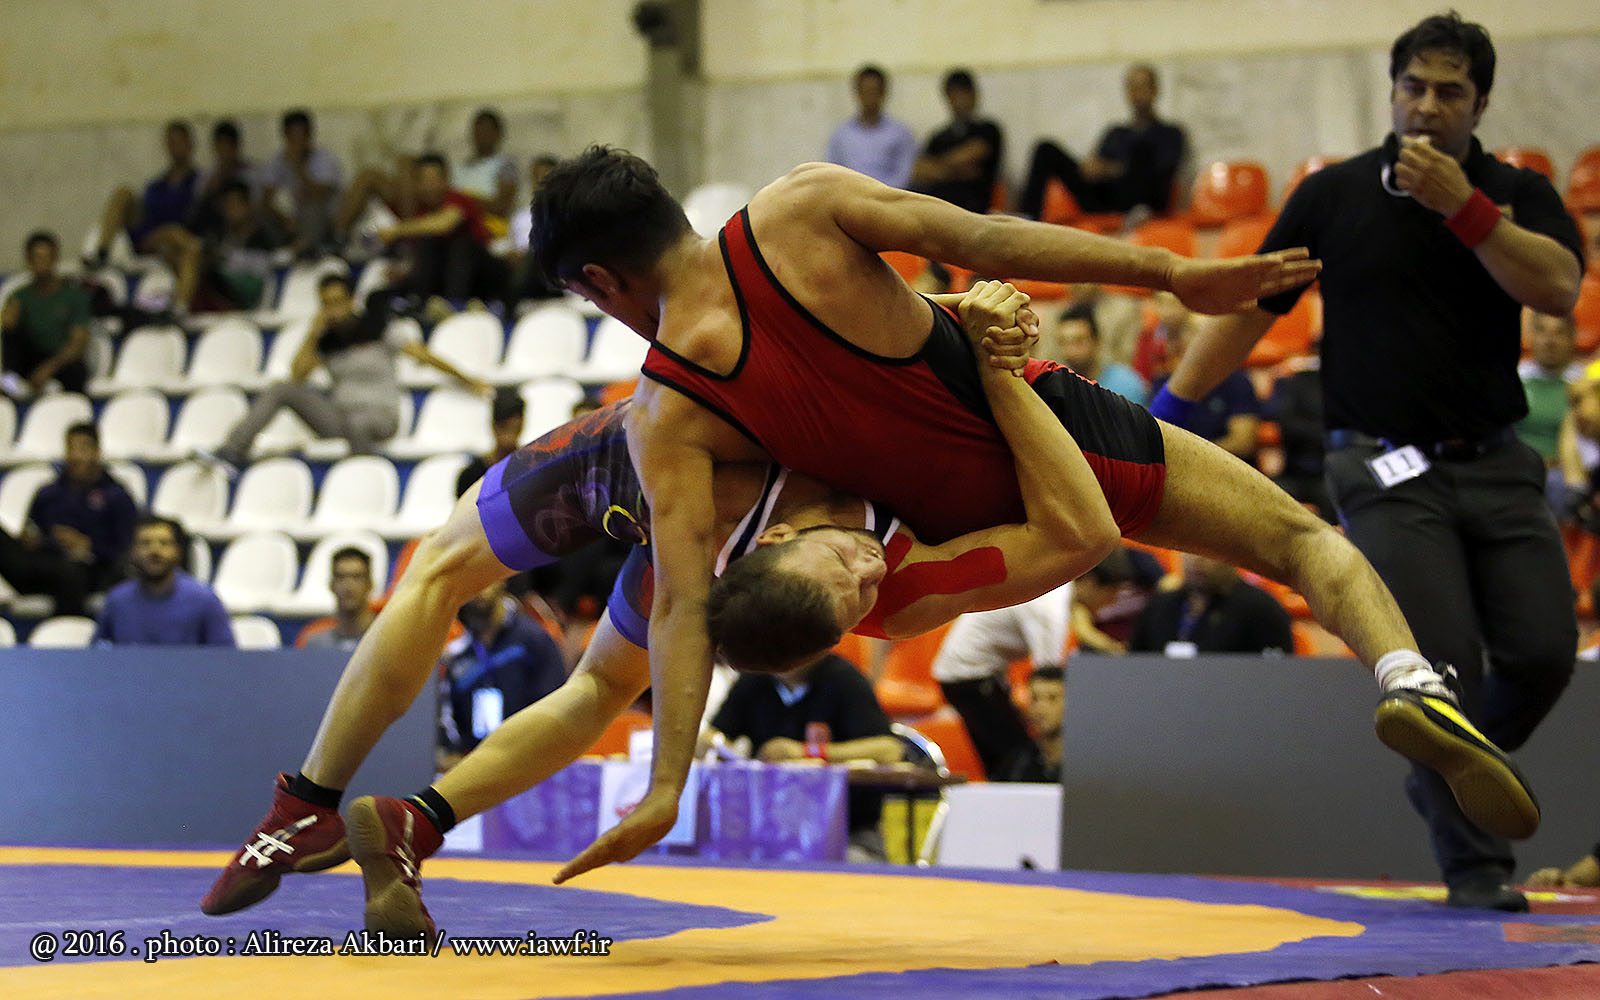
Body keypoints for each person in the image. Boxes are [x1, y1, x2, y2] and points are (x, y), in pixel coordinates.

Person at [1153, 12, 1584, 911]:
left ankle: (1447, 769)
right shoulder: (1335, 196)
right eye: (1413, 88)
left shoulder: (1514, 191)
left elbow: (1556, 288)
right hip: (1383, 470)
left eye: (1450, 92)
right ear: (1391, 93)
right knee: (1442, 662)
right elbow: (1251, 310)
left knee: (1546, 653)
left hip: (1498, 463)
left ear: (1481, 105)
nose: (1427, 107)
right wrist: (1166, 414)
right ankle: (1477, 869)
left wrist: (1465, 210)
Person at [203, 274, 491, 471]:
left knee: (358, 424)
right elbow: (297, 376)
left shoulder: (376, 326)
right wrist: (314, 332)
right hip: (338, 417)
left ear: (352, 299)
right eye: (326, 303)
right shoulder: (326, 340)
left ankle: (361, 476)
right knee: (281, 389)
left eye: (338, 301)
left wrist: (468, 380)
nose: (333, 309)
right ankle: (232, 450)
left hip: (380, 416)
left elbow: (423, 355)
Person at [702, 652, 902, 861]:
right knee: (716, 858)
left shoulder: (845, 680)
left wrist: (805, 752)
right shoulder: (754, 678)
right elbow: (715, 734)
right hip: (765, 832)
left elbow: (889, 749)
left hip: (847, 833)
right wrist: (714, 743)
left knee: (849, 864)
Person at [0, 422, 136, 616]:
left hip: (91, 571)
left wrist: (88, 546)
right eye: (70, 448)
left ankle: (69, 630)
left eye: (83, 449)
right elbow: (31, 530)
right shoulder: (48, 493)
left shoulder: (116, 495)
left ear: (97, 452)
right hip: (43, 567)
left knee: (70, 570)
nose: (75, 456)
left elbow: (126, 549)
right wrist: (32, 540)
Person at [1018, 64, 1187, 219]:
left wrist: (1113, 170)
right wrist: (1092, 167)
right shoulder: (1116, 133)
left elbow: (1162, 170)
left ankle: (1136, 213)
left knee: (1142, 152)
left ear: (1155, 90)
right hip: (1105, 200)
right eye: (1132, 87)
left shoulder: (1170, 133)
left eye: (1142, 86)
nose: (1137, 93)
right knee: (1045, 149)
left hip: (1143, 203)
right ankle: (1027, 219)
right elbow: (1096, 166)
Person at [436, 578, 567, 770]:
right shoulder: (457, 653)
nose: (479, 589)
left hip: (527, 760)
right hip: (474, 763)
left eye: (485, 578)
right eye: (472, 581)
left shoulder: (533, 639)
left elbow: (554, 702)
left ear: (501, 581)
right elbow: (447, 715)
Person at [89, 120, 204, 311]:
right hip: (149, 235)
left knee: (177, 234)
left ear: (190, 144)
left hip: (178, 238)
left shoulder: (199, 182)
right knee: (123, 193)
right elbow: (146, 215)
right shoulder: (157, 185)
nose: (175, 147)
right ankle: (102, 252)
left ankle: (179, 307)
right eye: (171, 142)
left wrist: (166, 236)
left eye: (180, 142)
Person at [378, 154, 507, 303]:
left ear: (446, 180)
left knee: (460, 244)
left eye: (433, 180)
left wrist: (396, 230)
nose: (429, 186)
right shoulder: (420, 211)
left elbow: (444, 224)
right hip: (442, 279)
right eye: (423, 180)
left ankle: (453, 304)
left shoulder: (459, 199)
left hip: (481, 275)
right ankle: (422, 303)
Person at [93, 515, 234, 646]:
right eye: (145, 543)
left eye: (164, 543)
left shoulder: (205, 600)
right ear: (132, 552)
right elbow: (99, 656)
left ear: (178, 551)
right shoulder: (117, 600)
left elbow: (225, 657)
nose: (155, 551)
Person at [1128, 553, 1293, 655]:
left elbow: (1275, 676)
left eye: (1207, 552)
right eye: (1189, 551)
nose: (1197, 559)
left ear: (1232, 557)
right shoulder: (1159, 606)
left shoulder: (1261, 610)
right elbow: (1136, 665)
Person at [1, 231, 92, 396]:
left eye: (45, 257)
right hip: (31, 358)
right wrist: (9, 320)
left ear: (55, 258)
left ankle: (74, 405)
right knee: (10, 333)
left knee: (76, 371)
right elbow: (9, 335)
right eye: (36, 258)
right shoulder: (19, 296)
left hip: (61, 359)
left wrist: (49, 367)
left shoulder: (73, 296)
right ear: (28, 260)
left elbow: (78, 343)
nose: (41, 263)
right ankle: (9, 386)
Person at [911, 69, 1004, 214]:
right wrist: (956, 171)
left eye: (963, 93)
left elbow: (972, 153)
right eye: (953, 95)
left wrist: (938, 168)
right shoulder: (939, 136)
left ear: (974, 95)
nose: (958, 101)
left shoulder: (988, 129)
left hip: (974, 207)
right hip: (937, 206)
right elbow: (919, 171)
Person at [261, 109, 344, 258]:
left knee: (313, 210)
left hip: (323, 219)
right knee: (261, 215)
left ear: (309, 135)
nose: (298, 142)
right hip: (291, 221)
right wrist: (284, 219)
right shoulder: (278, 161)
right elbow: (265, 199)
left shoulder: (325, 159)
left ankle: (302, 249)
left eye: (301, 136)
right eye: (293, 137)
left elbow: (320, 195)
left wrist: (298, 167)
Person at [825, 65, 917, 190]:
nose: (870, 97)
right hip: (850, 197)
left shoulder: (900, 134)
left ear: (884, 93)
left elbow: (904, 174)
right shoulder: (841, 135)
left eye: (874, 91)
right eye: (865, 91)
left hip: (889, 197)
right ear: (857, 92)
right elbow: (832, 173)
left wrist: (880, 194)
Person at [1050, 301, 1148, 403]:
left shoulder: (1126, 385)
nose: (1071, 351)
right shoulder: (1055, 387)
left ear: (1096, 341)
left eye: (1078, 341)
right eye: (1064, 342)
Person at [295, 547, 378, 651]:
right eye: (341, 577)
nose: (348, 586)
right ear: (331, 584)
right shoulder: (315, 645)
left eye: (357, 577)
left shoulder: (384, 641)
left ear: (370, 584)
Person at [457, 388, 526, 497]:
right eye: (504, 428)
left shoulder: (531, 470)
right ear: (493, 426)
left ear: (522, 425)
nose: (509, 437)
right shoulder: (471, 476)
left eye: (515, 428)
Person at [454, 108, 519, 224]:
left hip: (488, 227)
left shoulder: (506, 166)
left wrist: (465, 201)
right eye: (478, 131)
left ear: (498, 134)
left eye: (487, 131)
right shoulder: (458, 167)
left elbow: (502, 206)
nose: (482, 135)